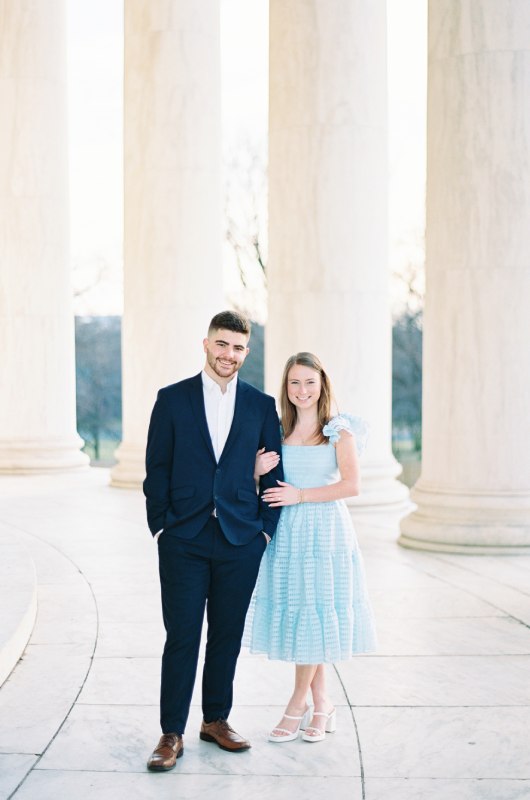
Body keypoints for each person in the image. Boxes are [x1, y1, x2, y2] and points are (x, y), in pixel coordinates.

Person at [143, 310, 283, 770]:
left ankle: (215, 719)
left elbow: (274, 474)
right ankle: (170, 733)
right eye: (222, 344)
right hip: (183, 537)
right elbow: (157, 469)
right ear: (206, 344)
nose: (230, 354)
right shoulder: (172, 400)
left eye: (239, 347)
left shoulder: (262, 406)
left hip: (241, 538)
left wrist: (263, 530)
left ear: (247, 351)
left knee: (226, 635)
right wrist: (161, 526)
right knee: (181, 636)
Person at [245, 351, 377, 743]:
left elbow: (351, 486)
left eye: (310, 382)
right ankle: (324, 705)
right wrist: (256, 472)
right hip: (287, 534)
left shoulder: (339, 430)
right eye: (294, 383)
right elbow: (260, 484)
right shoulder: (276, 430)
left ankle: (297, 702)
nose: (302, 390)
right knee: (306, 614)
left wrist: (301, 495)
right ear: (286, 388)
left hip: (325, 533)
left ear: (322, 386)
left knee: (314, 612)